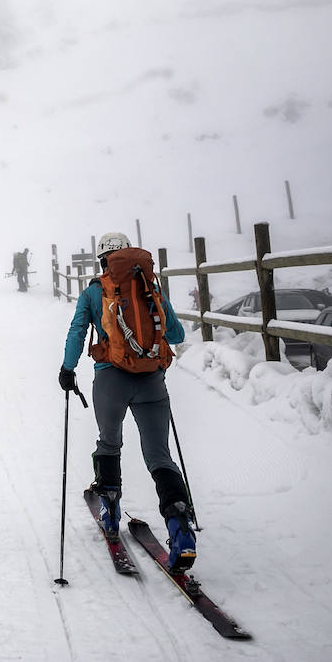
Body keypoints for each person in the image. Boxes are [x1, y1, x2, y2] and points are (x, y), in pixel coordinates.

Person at [57, 231, 197, 571]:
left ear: (102, 260)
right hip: (151, 380)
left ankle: (111, 509)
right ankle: (180, 528)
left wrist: (67, 368)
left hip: (110, 380)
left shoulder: (93, 292)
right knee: (159, 455)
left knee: (110, 443)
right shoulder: (150, 288)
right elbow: (176, 334)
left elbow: (78, 331)